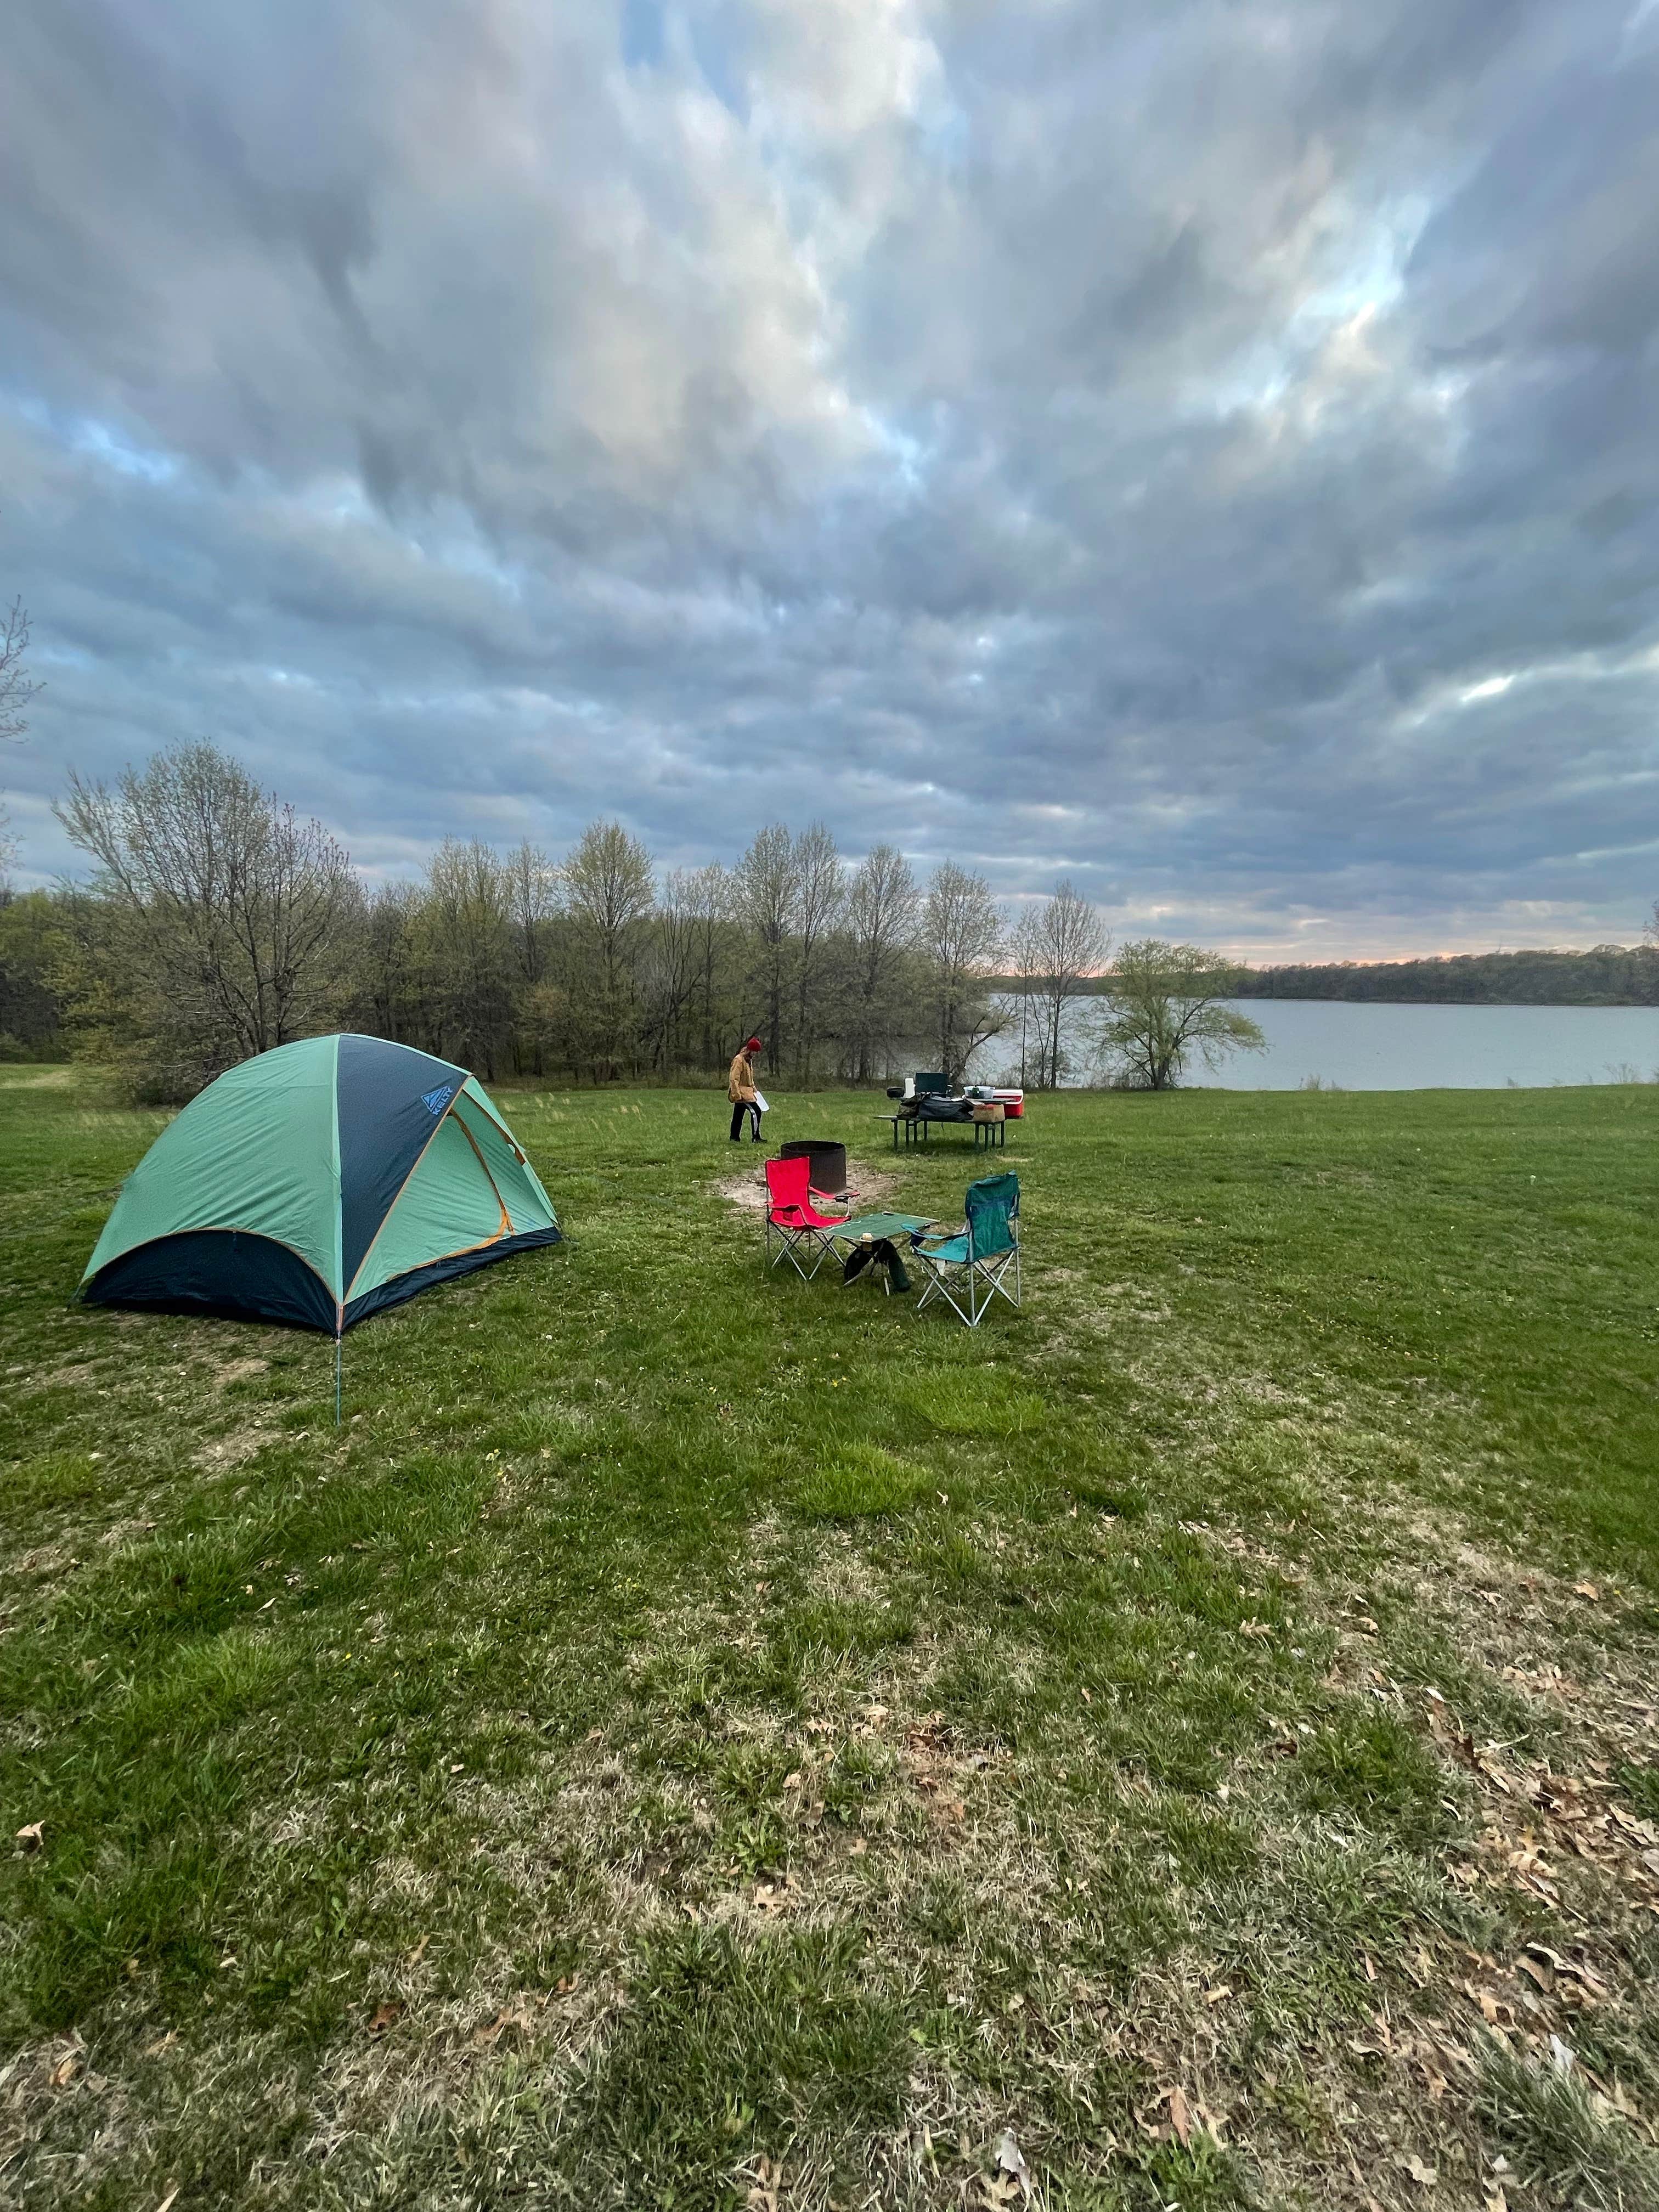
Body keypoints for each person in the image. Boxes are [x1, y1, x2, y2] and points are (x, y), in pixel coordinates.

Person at [728, 1036, 764, 1142]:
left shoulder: (748, 1060)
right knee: (756, 1112)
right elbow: (734, 1079)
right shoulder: (739, 1060)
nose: (756, 1054)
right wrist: (737, 1095)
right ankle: (756, 1137)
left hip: (747, 1092)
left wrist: (755, 1090)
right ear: (750, 1050)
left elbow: (749, 1080)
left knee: (738, 1115)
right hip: (741, 1094)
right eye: (755, 1051)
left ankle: (734, 1137)